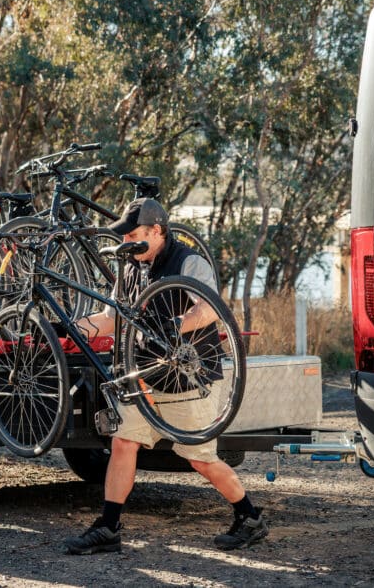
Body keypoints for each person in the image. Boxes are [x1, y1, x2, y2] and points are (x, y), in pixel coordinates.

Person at [62, 198, 268, 554]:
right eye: (124, 237)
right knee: (123, 443)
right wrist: (67, 329)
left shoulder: (188, 261)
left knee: (200, 459)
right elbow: (113, 317)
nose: (127, 243)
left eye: (134, 236)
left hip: (188, 378)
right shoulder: (131, 267)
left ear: (157, 231)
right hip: (144, 376)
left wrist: (177, 326)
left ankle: (249, 517)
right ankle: (108, 527)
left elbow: (209, 309)